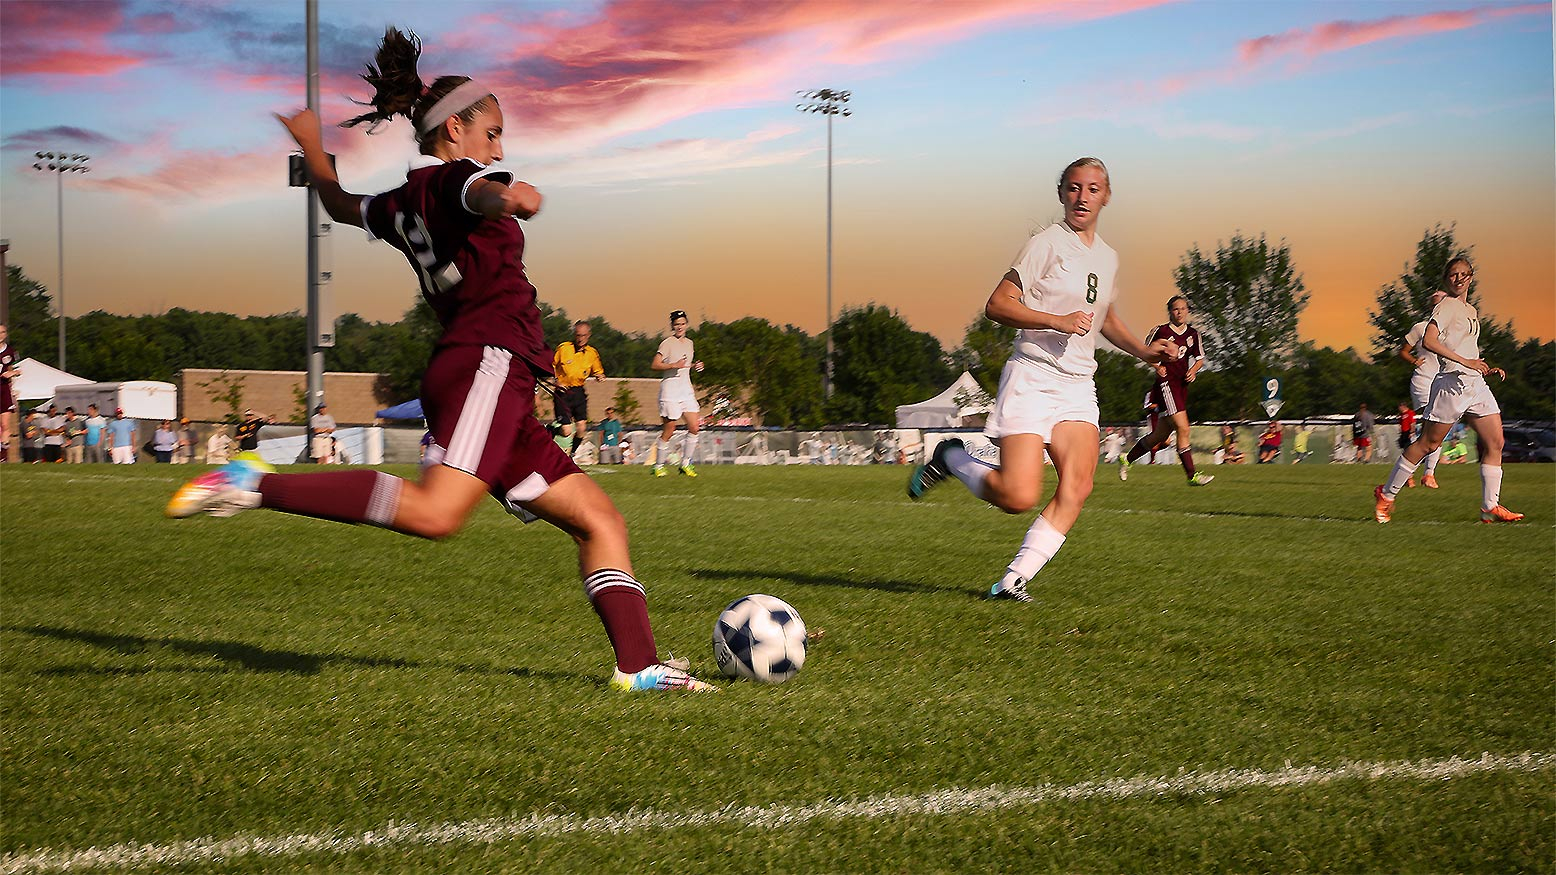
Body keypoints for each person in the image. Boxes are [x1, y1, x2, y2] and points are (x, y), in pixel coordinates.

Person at [169, 28, 714, 693]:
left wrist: (313, 149)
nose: (501, 147)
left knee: (599, 519)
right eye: (493, 133)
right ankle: (252, 479)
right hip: (487, 360)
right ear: (455, 129)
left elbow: (341, 205)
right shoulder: (456, 181)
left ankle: (638, 666)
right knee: (436, 513)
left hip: (491, 375)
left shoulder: (402, 201)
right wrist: (511, 196)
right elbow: (482, 193)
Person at [907, 157, 1177, 603]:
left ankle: (1013, 580)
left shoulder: (1107, 257)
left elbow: (1103, 317)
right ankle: (953, 457)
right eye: (1073, 188)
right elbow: (997, 305)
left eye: (1092, 189)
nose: (1082, 197)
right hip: (1032, 377)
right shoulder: (1046, 244)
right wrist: (1055, 320)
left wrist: (1145, 352)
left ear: (1106, 196)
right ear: (1061, 193)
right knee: (1018, 496)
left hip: (1076, 384)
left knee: (1080, 483)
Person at [1375, 257, 1522, 523]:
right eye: (1453, 275)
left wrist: (1481, 367)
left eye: (1464, 274)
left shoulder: (1471, 310)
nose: (1459, 278)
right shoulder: (1447, 306)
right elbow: (1429, 341)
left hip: (1475, 385)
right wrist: (1465, 362)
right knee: (1429, 444)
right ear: (1446, 279)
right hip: (1451, 384)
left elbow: (1466, 348)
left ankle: (1490, 507)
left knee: (1496, 442)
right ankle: (1386, 494)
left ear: (1471, 277)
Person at [1118, 295, 1213, 485]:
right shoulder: (1161, 331)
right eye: (1176, 309)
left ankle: (1126, 459)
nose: (1180, 312)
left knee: (1159, 436)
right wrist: (1157, 366)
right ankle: (1192, 475)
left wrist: (1193, 371)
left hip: (1181, 386)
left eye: (1183, 309)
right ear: (1170, 311)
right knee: (1183, 428)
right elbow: (1144, 352)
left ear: (1188, 311)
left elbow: (1200, 358)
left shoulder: (1193, 334)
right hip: (1166, 384)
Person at [1401, 289, 1448, 488]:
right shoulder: (1420, 327)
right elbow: (1403, 350)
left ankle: (1420, 473)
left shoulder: (1452, 329)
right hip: (1423, 380)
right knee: (1430, 425)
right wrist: (1413, 360)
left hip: (1443, 381)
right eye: (1435, 302)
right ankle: (1422, 474)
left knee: (1437, 429)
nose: (1438, 305)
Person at [651, 309, 704, 477]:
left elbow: (686, 365)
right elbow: (655, 364)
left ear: (686, 324)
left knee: (694, 427)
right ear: (672, 326)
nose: (679, 327)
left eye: (682, 324)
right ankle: (658, 465)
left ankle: (686, 464)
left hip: (686, 390)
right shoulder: (667, 343)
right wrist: (673, 365)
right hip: (670, 391)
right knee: (670, 429)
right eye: (676, 324)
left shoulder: (689, 343)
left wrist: (696, 366)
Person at [553, 320, 605, 458]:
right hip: (563, 392)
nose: (580, 339)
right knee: (566, 431)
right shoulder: (564, 348)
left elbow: (597, 370)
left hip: (579, 392)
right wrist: (556, 381)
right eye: (578, 335)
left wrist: (599, 375)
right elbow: (550, 366)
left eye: (583, 335)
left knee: (582, 428)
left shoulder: (592, 353)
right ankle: (551, 430)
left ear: (588, 335)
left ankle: (572, 453)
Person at [0, 324, 19, 463]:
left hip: (4, 390)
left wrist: (12, 373)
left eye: (3, 332)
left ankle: (3, 457)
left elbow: (16, 369)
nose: (0, 334)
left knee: (5, 425)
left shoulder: (10, 351)